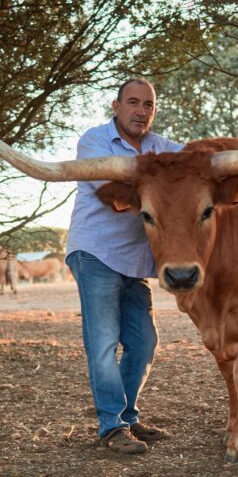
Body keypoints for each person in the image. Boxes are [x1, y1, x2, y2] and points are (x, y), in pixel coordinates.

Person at [65, 79, 182, 454]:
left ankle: (128, 418)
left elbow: (199, 156)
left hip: (134, 261)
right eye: (133, 102)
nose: (141, 110)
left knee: (144, 341)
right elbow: (117, 192)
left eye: (148, 104)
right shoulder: (94, 141)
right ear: (116, 106)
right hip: (95, 252)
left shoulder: (160, 146)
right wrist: (167, 176)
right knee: (102, 344)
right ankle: (111, 426)